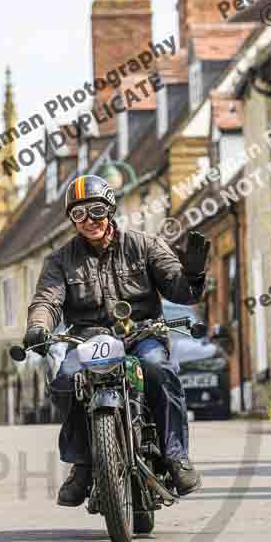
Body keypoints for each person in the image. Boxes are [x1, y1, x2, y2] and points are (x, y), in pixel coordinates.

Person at [23, 174, 210, 506]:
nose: (89, 220)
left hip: (142, 333)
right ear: (72, 220)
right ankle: (82, 463)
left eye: (95, 210)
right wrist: (38, 327)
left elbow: (179, 289)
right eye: (79, 214)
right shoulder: (60, 260)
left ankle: (176, 456)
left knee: (157, 368)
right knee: (65, 380)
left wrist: (193, 274)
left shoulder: (144, 245)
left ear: (109, 209)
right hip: (87, 339)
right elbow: (47, 301)